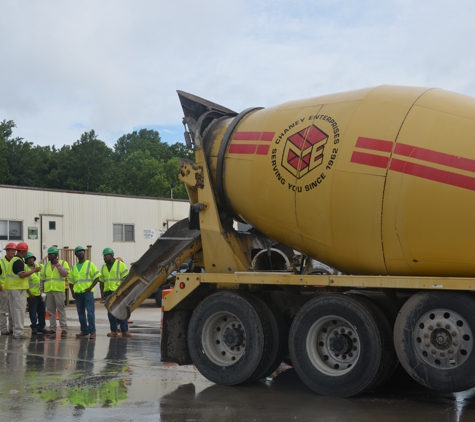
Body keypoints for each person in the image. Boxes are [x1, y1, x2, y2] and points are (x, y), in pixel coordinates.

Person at [6, 242, 41, 339]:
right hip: (18, 289)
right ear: (24, 251)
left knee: (14, 311)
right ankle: (18, 333)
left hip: (13, 289)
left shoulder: (13, 260)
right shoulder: (18, 261)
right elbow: (21, 275)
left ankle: (16, 331)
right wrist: (34, 270)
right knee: (19, 311)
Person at [69, 246, 100, 340]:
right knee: (80, 313)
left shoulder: (90, 265)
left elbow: (97, 277)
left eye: (82, 251)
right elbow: (71, 281)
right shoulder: (74, 267)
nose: (81, 253)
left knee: (90, 312)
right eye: (78, 252)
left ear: (84, 253)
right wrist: (72, 292)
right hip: (78, 293)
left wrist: (90, 288)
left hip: (88, 293)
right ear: (76, 255)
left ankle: (92, 331)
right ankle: (84, 330)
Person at [100, 248, 132, 338]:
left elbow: (126, 278)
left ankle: (124, 331)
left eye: (106, 256)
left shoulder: (120, 264)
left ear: (112, 256)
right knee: (111, 313)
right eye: (104, 256)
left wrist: (124, 291)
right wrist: (102, 292)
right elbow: (101, 281)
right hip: (108, 293)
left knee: (121, 311)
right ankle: (114, 331)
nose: (104, 258)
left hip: (118, 292)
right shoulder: (104, 267)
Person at [41, 246, 70, 339]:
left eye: (51, 254)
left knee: (61, 310)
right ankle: (53, 328)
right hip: (49, 291)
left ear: (56, 255)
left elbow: (65, 274)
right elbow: (42, 279)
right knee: (50, 311)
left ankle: (64, 329)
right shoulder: (45, 266)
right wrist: (42, 290)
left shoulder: (63, 263)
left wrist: (57, 265)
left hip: (59, 290)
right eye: (48, 254)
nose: (49, 256)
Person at [25, 252, 47, 335]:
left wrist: (43, 292)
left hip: (41, 294)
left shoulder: (40, 266)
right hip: (32, 295)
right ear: (26, 261)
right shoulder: (26, 268)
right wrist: (30, 293)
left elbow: (44, 279)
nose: (30, 260)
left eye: (32, 258)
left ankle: (41, 327)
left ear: (34, 259)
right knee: (33, 311)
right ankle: (34, 326)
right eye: (28, 259)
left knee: (42, 311)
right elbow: (25, 282)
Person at [0, 243, 15, 335]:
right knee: (2, 309)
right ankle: (3, 328)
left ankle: (12, 328)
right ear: (6, 251)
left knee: (12, 309)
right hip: (3, 289)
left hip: (13, 289)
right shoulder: (1, 262)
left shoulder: (15, 261)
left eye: (14, 250)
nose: (13, 252)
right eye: (11, 250)